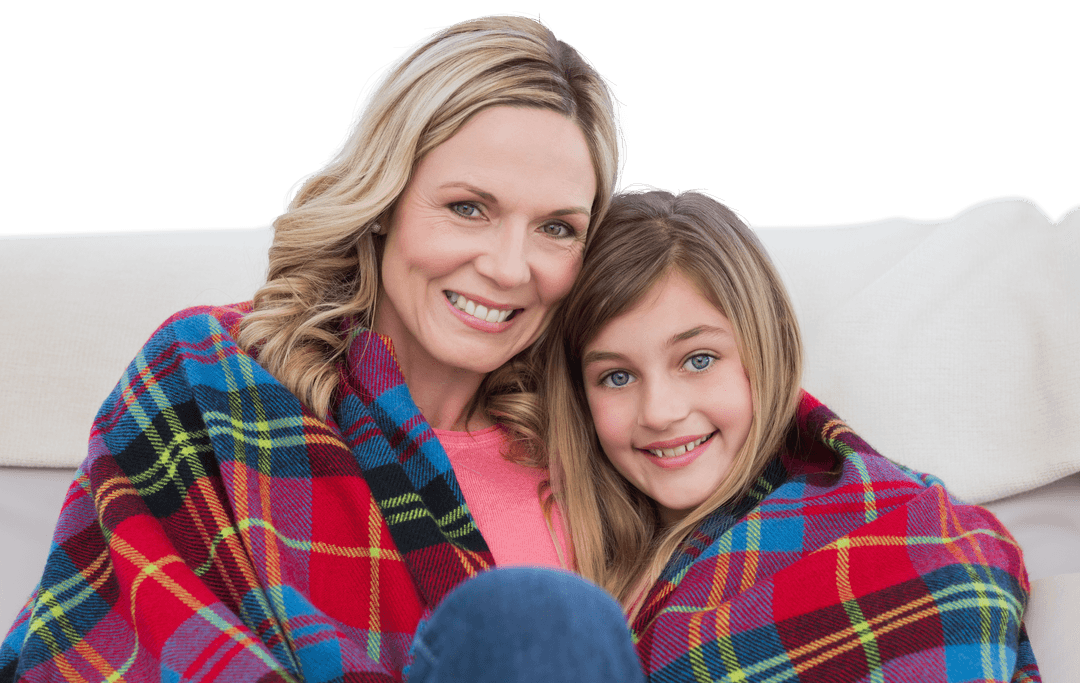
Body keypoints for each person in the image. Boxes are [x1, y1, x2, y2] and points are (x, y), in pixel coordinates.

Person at [0, 14, 640, 682]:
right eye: (468, 208)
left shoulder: (603, 446)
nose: (511, 268)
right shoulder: (212, 382)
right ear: (387, 198)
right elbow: (110, 643)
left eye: (557, 228)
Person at [537, 186, 1040, 681]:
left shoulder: (916, 533)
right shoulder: (556, 553)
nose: (660, 412)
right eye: (617, 377)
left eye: (699, 360)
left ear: (766, 353)